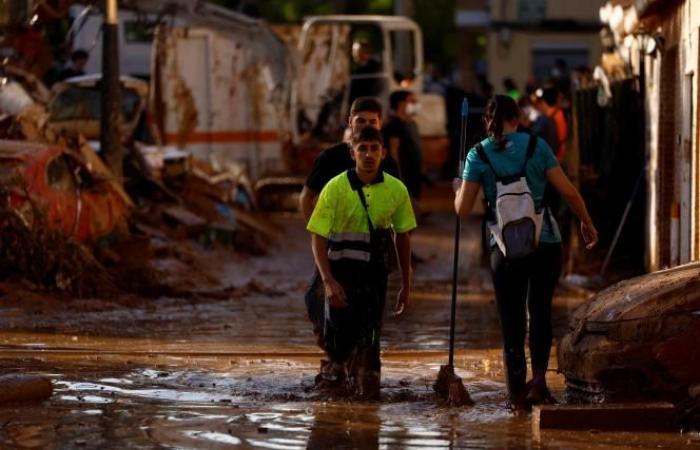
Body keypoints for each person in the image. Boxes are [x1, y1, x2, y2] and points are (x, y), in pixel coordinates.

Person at [453, 95, 598, 411]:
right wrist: (586, 221)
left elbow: (463, 209)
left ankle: (515, 395)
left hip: (504, 248)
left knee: (511, 318)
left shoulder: (478, 153)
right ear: (517, 117)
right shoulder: (537, 146)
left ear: (487, 121)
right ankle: (540, 383)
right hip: (545, 241)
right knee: (541, 310)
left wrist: (456, 190)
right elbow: (569, 192)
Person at [306, 126, 416, 400]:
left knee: (371, 340)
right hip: (341, 276)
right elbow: (318, 237)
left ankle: (367, 402)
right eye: (363, 149)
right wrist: (328, 281)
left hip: (375, 278)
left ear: (384, 153)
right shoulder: (335, 189)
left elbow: (403, 237)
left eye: (374, 148)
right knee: (338, 341)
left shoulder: (396, 190)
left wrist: (406, 282)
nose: (368, 155)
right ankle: (336, 372)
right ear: (352, 153)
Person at [382, 90, 423, 201]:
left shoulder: (412, 124)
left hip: (414, 174)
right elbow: (394, 152)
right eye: (412, 101)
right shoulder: (394, 125)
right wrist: (398, 175)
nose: (416, 104)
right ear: (401, 104)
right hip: (403, 174)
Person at [348, 41, 384, 105]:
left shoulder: (377, 67)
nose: (353, 53)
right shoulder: (356, 68)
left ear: (363, 52)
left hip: (366, 103)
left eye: (354, 51)